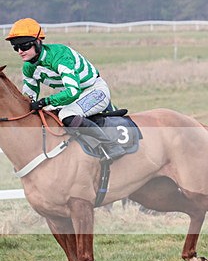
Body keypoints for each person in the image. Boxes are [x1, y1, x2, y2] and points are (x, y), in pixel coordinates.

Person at [5, 18, 126, 162]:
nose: (20, 51)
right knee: (48, 115)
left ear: (37, 42)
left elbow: (73, 91)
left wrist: (46, 101)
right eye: (15, 47)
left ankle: (112, 146)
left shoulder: (60, 56)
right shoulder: (28, 68)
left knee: (66, 115)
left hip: (95, 91)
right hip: (75, 97)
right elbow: (29, 98)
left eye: (24, 46)